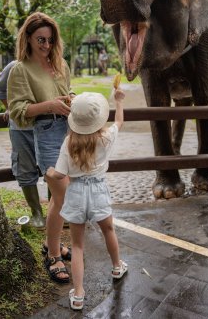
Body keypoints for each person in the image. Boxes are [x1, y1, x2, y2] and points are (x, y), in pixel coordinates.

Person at [7, 12, 75, 283]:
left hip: (67, 130)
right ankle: (53, 256)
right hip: (45, 132)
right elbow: (18, 111)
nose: (46, 45)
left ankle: (51, 244)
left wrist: (70, 99)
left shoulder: (60, 64)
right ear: (28, 38)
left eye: (50, 39)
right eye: (40, 40)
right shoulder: (20, 69)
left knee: (59, 198)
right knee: (63, 195)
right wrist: (50, 105)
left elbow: (65, 94)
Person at [46, 90, 128, 311]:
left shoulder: (68, 143)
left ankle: (79, 293)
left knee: (78, 245)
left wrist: (50, 171)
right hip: (99, 190)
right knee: (109, 230)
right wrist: (118, 101)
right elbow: (119, 121)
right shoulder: (106, 137)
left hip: (76, 193)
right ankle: (117, 266)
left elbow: (60, 175)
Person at [0, 61, 45, 228]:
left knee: (55, 167)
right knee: (24, 168)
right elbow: (0, 88)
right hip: (21, 128)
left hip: (48, 126)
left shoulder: (52, 64)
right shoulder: (15, 66)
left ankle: (57, 212)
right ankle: (37, 214)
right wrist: (10, 107)